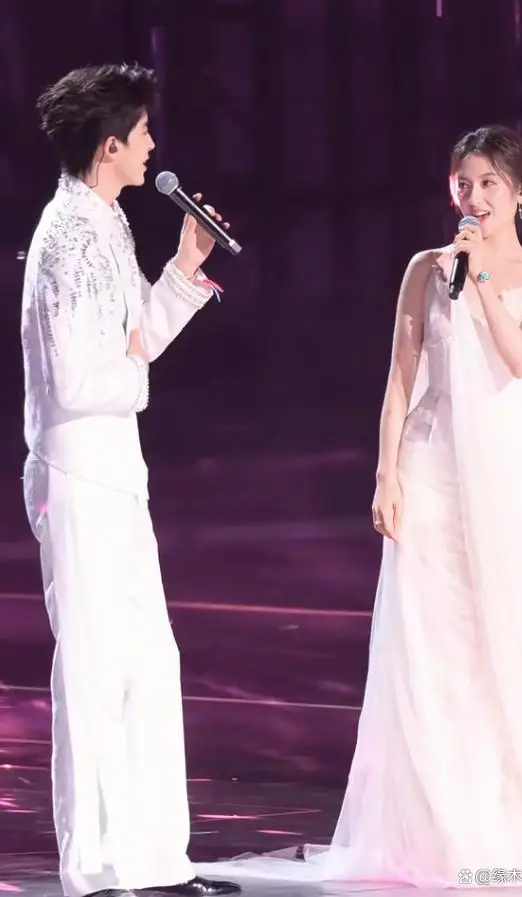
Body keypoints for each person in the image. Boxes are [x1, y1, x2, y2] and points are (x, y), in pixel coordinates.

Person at [196, 125, 522, 887]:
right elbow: (401, 378)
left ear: (520, 192)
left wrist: (477, 280)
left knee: (506, 640)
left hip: (510, 485)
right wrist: (386, 473)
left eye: (488, 184)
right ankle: (439, 827)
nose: (472, 197)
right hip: (432, 469)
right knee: (434, 646)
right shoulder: (423, 269)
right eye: (462, 182)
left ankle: (511, 816)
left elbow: (519, 358)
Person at [21, 63, 241, 897]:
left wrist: (184, 268)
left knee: (147, 658)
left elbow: (136, 335)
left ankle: (154, 861)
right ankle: (96, 869)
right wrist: (137, 373)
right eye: (143, 132)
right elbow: (80, 380)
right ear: (109, 145)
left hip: (115, 467)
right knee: (93, 665)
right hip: (76, 470)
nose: (153, 146)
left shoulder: (106, 220)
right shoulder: (66, 236)